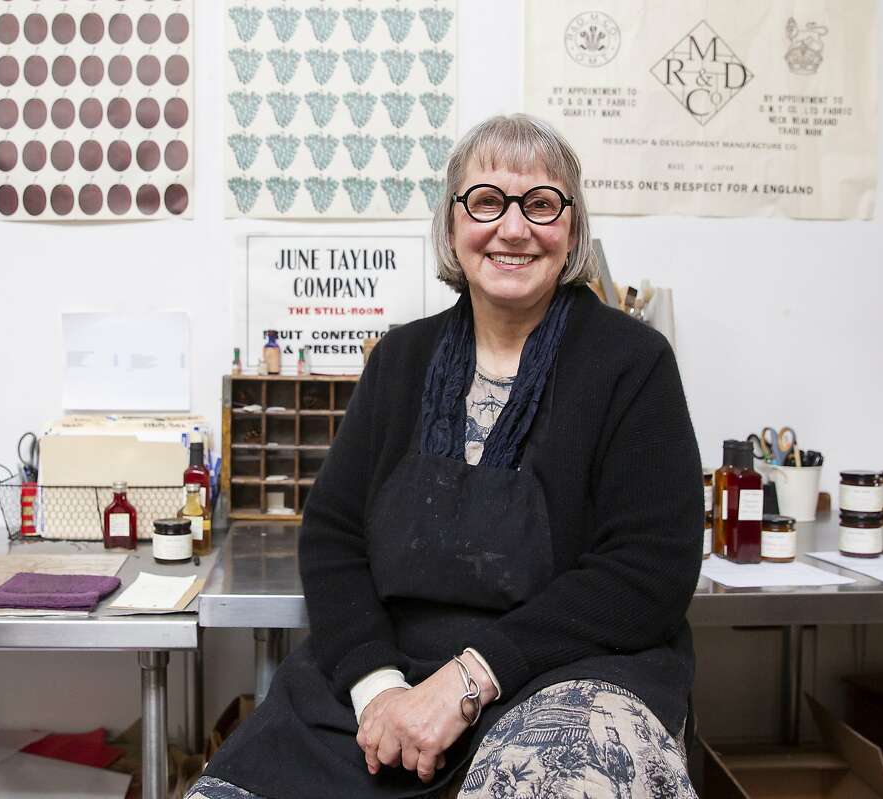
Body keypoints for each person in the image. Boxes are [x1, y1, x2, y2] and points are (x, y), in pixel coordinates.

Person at [190, 114, 703, 799]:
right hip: (394, 679)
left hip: (569, 672)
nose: (513, 228)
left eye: (541, 204)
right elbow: (333, 538)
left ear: (572, 230)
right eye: (487, 201)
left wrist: (470, 677)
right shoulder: (399, 359)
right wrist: (378, 689)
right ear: (452, 224)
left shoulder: (632, 364)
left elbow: (649, 568)